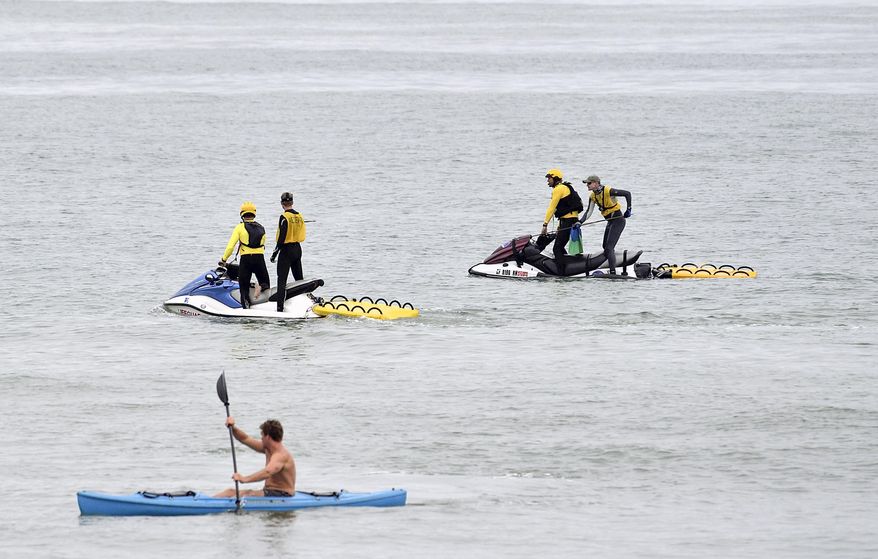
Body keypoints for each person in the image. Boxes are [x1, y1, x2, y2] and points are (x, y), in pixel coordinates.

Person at [214, 417, 297, 498]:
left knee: (247, 494)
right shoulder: (268, 449)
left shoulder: (281, 455)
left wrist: (244, 479)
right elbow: (245, 439)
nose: (261, 438)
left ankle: (219, 507)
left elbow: (267, 472)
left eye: (262, 435)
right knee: (230, 492)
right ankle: (207, 502)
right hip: (269, 491)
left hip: (283, 494)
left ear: (267, 437)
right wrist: (232, 427)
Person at [219, 201, 270, 309]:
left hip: (246, 260)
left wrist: (224, 259)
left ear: (242, 214)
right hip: (259, 259)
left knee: (244, 287)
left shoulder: (239, 227)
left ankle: (246, 307)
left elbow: (230, 247)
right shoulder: (261, 227)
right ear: (254, 213)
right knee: (266, 284)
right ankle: (262, 291)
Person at [582, 175, 632, 275]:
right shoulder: (593, 196)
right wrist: (580, 222)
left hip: (618, 220)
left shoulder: (608, 190)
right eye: (587, 183)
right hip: (610, 221)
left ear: (596, 183)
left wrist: (629, 209)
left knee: (609, 248)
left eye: (589, 183)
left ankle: (612, 272)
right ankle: (610, 266)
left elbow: (627, 194)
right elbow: (588, 212)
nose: (587, 185)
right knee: (605, 246)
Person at [540, 168, 584, 275]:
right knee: (560, 246)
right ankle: (568, 266)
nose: (547, 181)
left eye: (549, 178)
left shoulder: (558, 189)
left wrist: (545, 224)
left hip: (568, 222)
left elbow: (552, 207)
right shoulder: (566, 187)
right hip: (572, 221)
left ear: (555, 178)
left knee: (557, 248)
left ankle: (562, 274)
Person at [270, 192, 306, 312]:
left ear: (282, 204)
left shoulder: (284, 217)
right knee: (299, 279)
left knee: (282, 280)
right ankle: (304, 303)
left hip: (286, 250)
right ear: (292, 202)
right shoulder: (299, 216)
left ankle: (280, 309)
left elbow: (282, 238)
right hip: (297, 249)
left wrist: (275, 253)